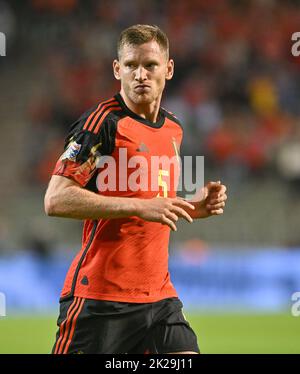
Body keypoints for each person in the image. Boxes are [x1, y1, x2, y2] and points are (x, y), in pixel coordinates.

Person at [45, 24, 227, 354]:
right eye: (131, 66)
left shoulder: (174, 128)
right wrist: (137, 207)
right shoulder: (102, 123)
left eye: (150, 65)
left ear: (168, 69)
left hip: (159, 298)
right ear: (118, 70)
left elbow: (153, 200)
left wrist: (193, 207)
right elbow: (56, 198)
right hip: (101, 299)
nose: (140, 74)